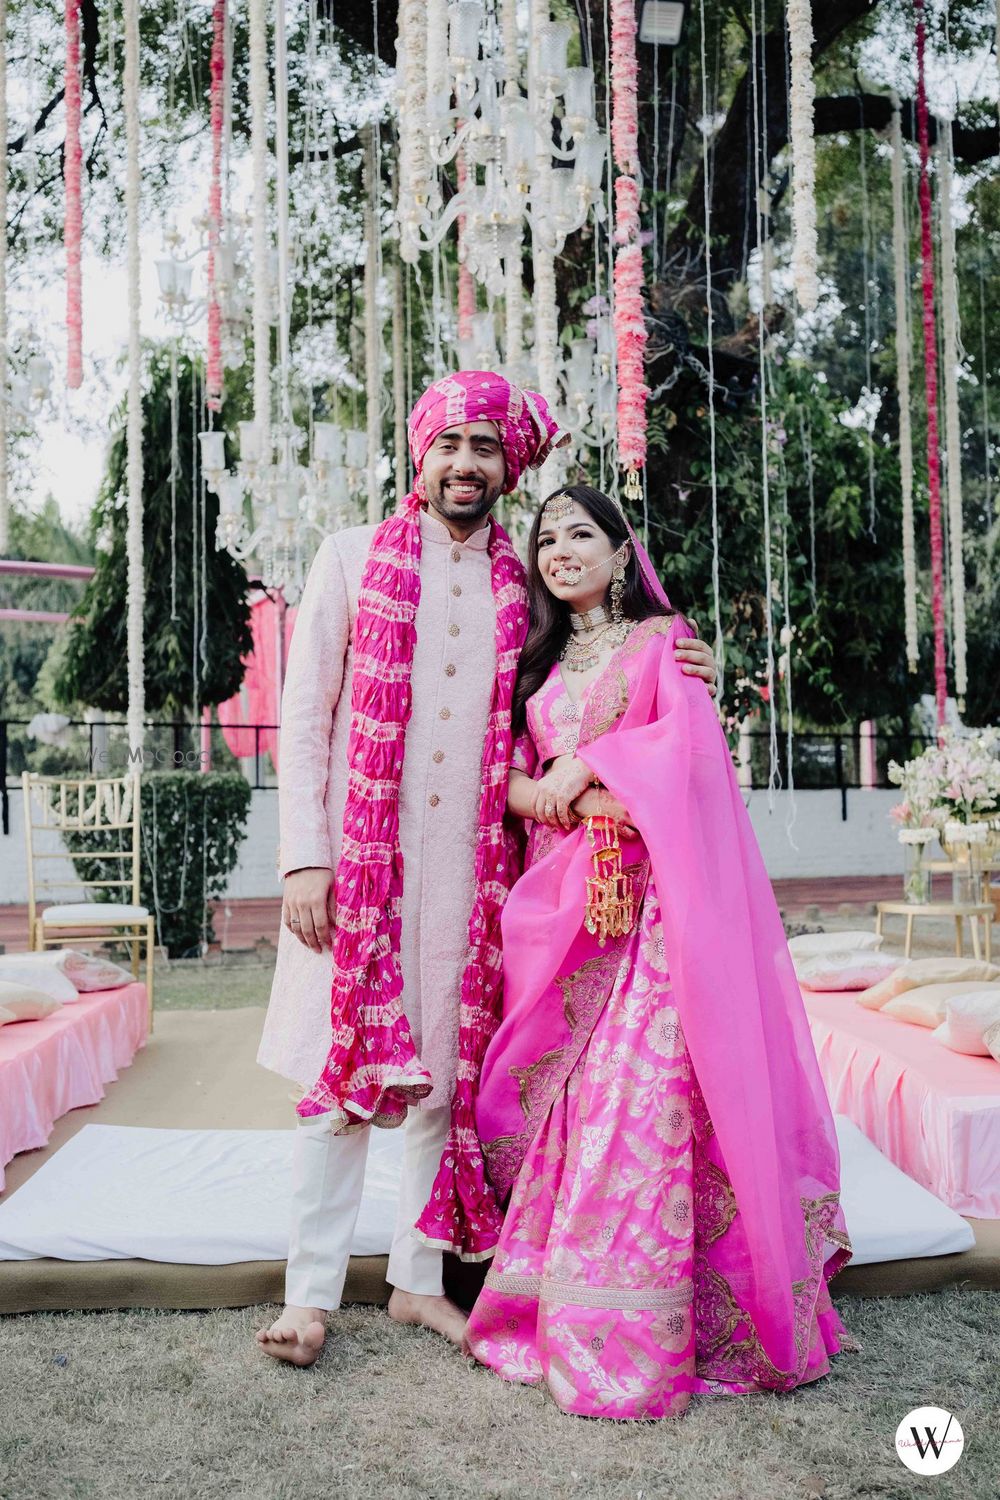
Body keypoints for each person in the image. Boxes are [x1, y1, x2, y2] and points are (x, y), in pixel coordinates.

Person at [254, 380, 719, 1367]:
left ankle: (418, 1281)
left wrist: (689, 657)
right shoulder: (347, 558)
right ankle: (310, 1294)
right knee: (336, 1084)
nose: (464, 462)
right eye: (449, 444)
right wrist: (305, 857)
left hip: (474, 876)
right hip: (358, 868)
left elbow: (604, 669)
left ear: (511, 467)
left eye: (485, 448)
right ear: (418, 455)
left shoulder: (526, 585)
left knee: (442, 1084)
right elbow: (304, 717)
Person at [465, 484, 854, 1419]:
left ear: (618, 547)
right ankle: (558, 1300)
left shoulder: (662, 644)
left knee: (641, 1102)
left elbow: (688, 755)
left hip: (650, 912)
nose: (561, 551)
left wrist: (596, 766)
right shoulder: (535, 668)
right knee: (563, 1099)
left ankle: (655, 1325)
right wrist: (558, 794)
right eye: (547, 539)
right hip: (562, 902)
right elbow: (505, 781)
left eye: (581, 534)